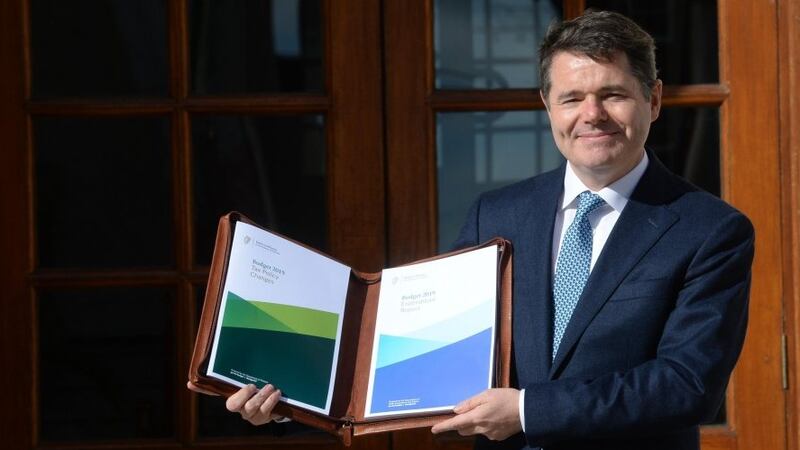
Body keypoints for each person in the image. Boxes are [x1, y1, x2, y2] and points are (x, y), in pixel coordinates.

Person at [191, 10, 754, 450]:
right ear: (546, 106)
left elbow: (685, 385)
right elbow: (440, 355)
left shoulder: (710, 231)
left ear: (653, 100)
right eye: (572, 98)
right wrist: (296, 399)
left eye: (613, 94)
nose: (592, 114)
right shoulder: (497, 214)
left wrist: (529, 411)